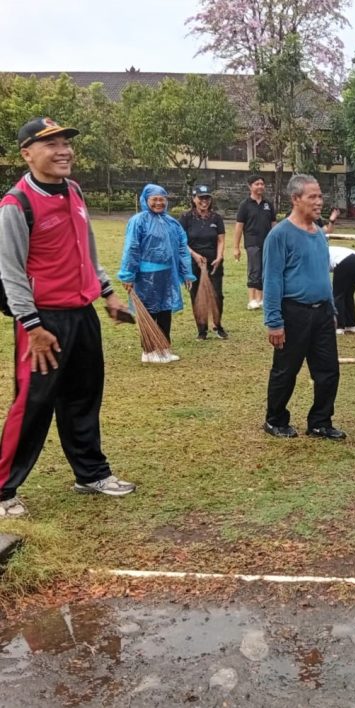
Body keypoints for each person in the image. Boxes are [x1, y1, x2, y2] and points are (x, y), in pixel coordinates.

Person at [0, 117, 136, 517]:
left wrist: (107, 291)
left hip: (82, 313)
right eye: (50, 144)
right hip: (43, 323)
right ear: (27, 154)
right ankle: (3, 490)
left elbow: (86, 250)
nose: (63, 151)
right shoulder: (16, 205)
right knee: (33, 403)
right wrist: (32, 326)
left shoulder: (73, 190)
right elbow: (9, 272)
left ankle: (91, 473)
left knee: (84, 396)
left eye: (65, 142)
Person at [262, 174, 345, 441]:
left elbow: (323, 274)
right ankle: (275, 419)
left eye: (320, 196)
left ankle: (320, 421)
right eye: (313, 196)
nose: (319, 201)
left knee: (328, 370)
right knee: (286, 370)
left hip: (322, 313)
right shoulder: (279, 235)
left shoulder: (320, 234)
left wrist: (331, 310)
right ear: (296, 199)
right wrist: (274, 322)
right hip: (294, 312)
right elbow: (272, 280)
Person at [118, 184, 196, 363]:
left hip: (168, 275)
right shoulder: (139, 221)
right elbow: (132, 248)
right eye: (155, 199)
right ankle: (148, 350)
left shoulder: (171, 222)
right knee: (149, 312)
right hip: (146, 276)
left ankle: (164, 347)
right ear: (146, 200)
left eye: (162, 199)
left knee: (165, 310)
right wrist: (128, 275)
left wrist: (186, 273)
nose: (159, 203)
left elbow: (182, 248)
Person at [180, 185, 228, 340]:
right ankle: (201, 329)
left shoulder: (216, 218)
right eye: (201, 198)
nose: (204, 201)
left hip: (213, 262)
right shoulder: (186, 218)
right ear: (194, 199)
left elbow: (220, 239)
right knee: (196, 295)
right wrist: (194, 255)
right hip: (194, 262)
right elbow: (181, 241)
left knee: (217, 294)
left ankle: (218, 325)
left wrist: (219, 256)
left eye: (207, 198)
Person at [234, 175, 276, 310]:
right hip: (252, 242)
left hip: (268, 242)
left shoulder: (268, 204)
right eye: (257, 184)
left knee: (265, 270)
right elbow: (239, 226)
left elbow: (274, 224)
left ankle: (261, 298)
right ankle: (252, 299)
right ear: (250, 186)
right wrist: (236, 247)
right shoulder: (245, 205)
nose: (260, 186)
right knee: (254, 270)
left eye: (262, 184)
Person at [329, 245, 355, 334]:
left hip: (345, 261)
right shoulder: (326, 249)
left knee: (338, 295)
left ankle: (339, 326)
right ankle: (351, 325)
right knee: (348, 294)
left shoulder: (316, 256)